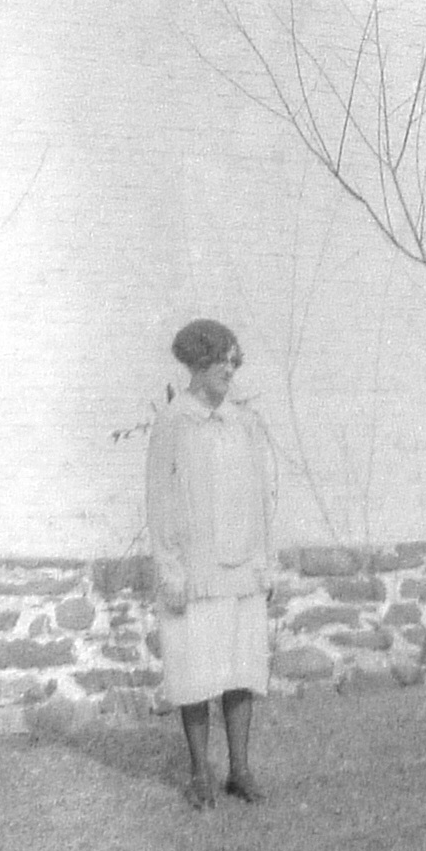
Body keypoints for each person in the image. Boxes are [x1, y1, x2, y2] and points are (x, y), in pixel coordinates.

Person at [146, 319, 276, 810]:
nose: (229, 369)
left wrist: (264, 560)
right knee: (195, 673)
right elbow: (159, 501)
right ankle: (201, 773)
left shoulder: (244, 423)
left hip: (242, 567)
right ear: (197, 364)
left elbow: (262, 496)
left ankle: (240, 771)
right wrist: (170, 570)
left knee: (242, 671)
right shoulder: (173, 422)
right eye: (221, 360)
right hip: (196, 573)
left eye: (233, 360)